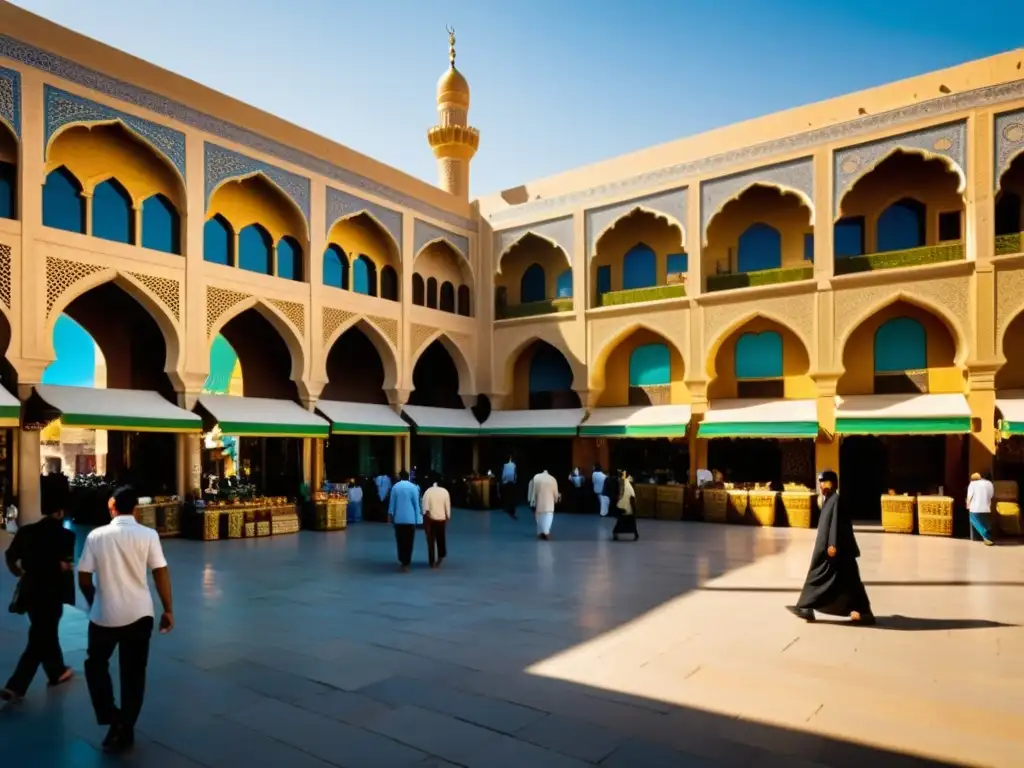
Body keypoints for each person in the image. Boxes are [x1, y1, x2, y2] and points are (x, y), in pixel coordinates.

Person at [78, 486, 174, 754]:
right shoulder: (148, 535)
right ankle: (126, 726)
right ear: (137, 508)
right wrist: (168, 610)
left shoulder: (96, 536)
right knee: (133, 675)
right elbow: (160, 572)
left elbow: (83, 576)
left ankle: (113, 717)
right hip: (139, 615)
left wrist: (94, 599)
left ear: (112, 505)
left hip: (103, 617)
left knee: (95, 666)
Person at [1, 475, 76, 702]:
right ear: (61, 512)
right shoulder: (66, 537)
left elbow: (10, 556)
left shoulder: (26, 532)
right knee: (40, 639)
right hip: (52, 594)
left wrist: (20, 572)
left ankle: (58, 671)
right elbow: (64, 565)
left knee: (44, 632)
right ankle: (16, 687)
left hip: (30, 592)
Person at [788, 470, 874, 625]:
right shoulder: (829, 500)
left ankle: (806, 607)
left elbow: (836, 523)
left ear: (832, 483)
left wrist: (832, 544)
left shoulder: (835, 500)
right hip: (836, 549)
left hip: (834, 549)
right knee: (849, 582)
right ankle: (863, 612)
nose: (821, 485)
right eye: (820, 482)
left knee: (820, 576)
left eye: (824, 482)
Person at [388, 471, 422, 571]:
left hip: (398, 519)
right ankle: (407, 562)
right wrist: (418, 519)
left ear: (399, 477)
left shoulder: (395, 487)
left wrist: (390, 516)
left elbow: (392, 504)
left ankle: (402, 560)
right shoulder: (414, 487)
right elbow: (416, 504)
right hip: (410, 519)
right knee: (409, 541)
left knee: (400, 540)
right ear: (408, 477)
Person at [421, 481, 451, 568]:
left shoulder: (428, 492)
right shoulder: (445, 492)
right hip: (442, 519)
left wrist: (424, 519)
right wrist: (448, 516)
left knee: (430, 541)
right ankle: (441, 555)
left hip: (430, 519)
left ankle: (432, 561)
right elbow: (447, 505)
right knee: (441, 538)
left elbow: (425, 508)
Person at [529, 469, 560, 540]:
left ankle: (540, 532)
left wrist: (531, 499)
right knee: (548, 517)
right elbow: (555, 492)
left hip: (539, 502)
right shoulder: (552, 479)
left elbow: (532, 489)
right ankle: (546, 532)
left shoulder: (536, 477)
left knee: (539, 517)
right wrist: (556, 499)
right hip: (549, 503)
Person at [966, 471, 995, 545]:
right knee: (984, 521)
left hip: (975, 507)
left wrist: (967, 504)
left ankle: (987, 537)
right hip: (986, 507)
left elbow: (969, 496)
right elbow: (991, 495)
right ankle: (988, 531)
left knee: (973, 520)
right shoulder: (990, 484)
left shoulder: (973, 483)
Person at [612, 470, 639, 542]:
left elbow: (621, 495)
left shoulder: (622, 483)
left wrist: (618, 505)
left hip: (625, 507)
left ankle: (615, 533)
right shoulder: (627, 483)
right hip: (630, 507)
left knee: (621, 521)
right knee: (630, 522)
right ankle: (635, 534)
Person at [500, 455, 518, 520]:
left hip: (507, 482)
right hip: (511, 483)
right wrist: (515, 480)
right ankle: (511, 510)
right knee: (511, 497)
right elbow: (515, 474)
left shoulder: (507, 465)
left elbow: (503, 474)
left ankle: (509, 509)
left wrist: (503, 481)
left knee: (508, 497)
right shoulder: (513, 465)